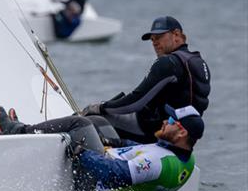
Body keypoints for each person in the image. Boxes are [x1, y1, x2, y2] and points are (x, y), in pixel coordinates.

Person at [0, 104, 202, 191]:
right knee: (97, 122)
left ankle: (17, 131)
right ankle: (34, 131)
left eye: (172, 120)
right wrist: (105, 140)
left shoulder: (160, 164)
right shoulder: (183, 157)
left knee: (79, 123)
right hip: (104, 173)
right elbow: (140, 150)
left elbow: (113, 175)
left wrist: (81, 152)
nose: (166, 120)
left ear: (182, 133)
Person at [81, 16, 211, 144]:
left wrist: (100, 108)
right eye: (152, 39)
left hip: (155, 130)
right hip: (183, 135)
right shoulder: (199, 63)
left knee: (90, 120)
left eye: (159, 37)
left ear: (176, 34)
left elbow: (134, 103)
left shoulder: (168, 62)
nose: (154, 43)